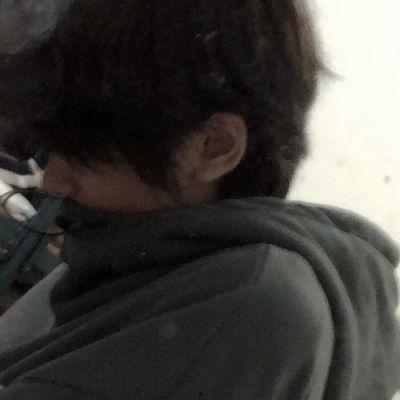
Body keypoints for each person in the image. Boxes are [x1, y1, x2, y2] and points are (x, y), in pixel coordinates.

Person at [0, 1, 399, 399]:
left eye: (88, 156)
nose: (52, 181)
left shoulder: (242, 314)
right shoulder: (137, 253)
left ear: (214, 147)